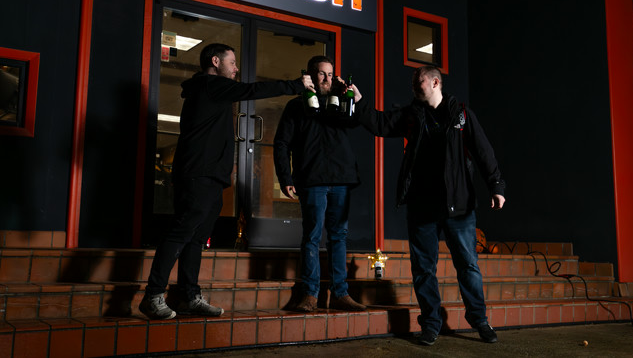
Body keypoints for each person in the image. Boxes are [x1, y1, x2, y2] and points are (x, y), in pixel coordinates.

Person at [139, 43, 314, 320]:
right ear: (215, 61)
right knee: (181, 233)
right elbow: (251, 90)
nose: (235, 69)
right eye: (232, 63)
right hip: (198, 174)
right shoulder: (209, 84)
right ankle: (152, 295)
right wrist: (295, 85)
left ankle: (188, 296)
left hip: (212, 176)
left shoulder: (213, 92)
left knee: (197, 239)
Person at [354, 66, 505, 345]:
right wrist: (360, 102)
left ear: (435, 82)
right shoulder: (412, 116)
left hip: (458, 206)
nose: (414, 84)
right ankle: (431, 324)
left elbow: (484, 151)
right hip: (422, 206)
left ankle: (479, 320)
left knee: (468, 266)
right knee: (424, 268)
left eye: (419, 80)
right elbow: (380, 123)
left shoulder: (461, 114)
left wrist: (496, 186)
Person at [273, 55, 366, 313]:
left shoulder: (340, 103)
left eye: (329, 74)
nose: (325, 79)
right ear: (311, 75)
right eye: (321, 74)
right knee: (312, 236)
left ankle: (340, 293)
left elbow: (360, 119)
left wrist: (351, 95)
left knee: (339, 236)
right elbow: (282, 144)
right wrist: (285, 178)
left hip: (342, 179)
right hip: (312, 180)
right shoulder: (296, 106)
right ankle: (310, 294)